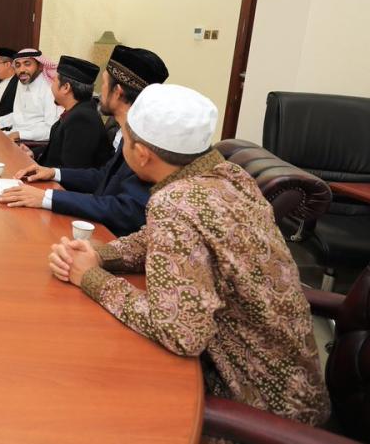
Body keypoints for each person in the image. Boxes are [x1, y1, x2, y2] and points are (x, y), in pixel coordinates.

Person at [48, 84, 330, 430]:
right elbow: (155, 239)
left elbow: (181, 333)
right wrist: (99, 254)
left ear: (142, 154)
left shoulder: (176, 202)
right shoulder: (227, 175)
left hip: (257, 408)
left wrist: (90, 277)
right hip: (297, 391)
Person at [0, 45, 168, 237]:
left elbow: (126, 209)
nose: (99, 92)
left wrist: (46, 197)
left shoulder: (145, 141)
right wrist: (53, 172)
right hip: (96, 223)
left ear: (118, 92)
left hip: (109, 236)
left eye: (104, 84)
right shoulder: (126, 132)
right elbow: (103, 176)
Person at [36, 55, 111, 169]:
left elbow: (72, 169)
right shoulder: (78, 110)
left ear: (66, 87)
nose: (51, 86)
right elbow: (60, 147)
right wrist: (34, 153)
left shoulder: (82, 119)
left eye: (54, 81)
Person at [3, 48, 59, 142]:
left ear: (40, 66)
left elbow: (52, 129)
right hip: (14, 136)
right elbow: (19, 116)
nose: (21, 70)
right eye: (18, 65)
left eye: (27, 64)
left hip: (34, 143)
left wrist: (20, 135)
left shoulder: (49, 88)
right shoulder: (22, 82)